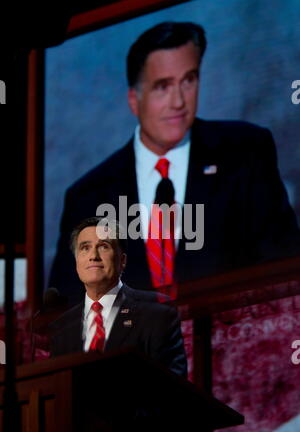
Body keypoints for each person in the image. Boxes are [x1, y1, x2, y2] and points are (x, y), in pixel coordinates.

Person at [49, 21, 300, 306]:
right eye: (162, 86)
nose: (179, 101)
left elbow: (287, 278)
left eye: (188, 80)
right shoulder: (88, 197)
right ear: (134, 100)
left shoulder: (245, 153)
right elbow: (65, 317)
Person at [49, 216, 187, 379]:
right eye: (85, 248)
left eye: (103, 246)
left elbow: (173, 390)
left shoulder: (158, 313)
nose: (93, 256)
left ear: (122, 260)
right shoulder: (61, 329)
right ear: (76, 262)